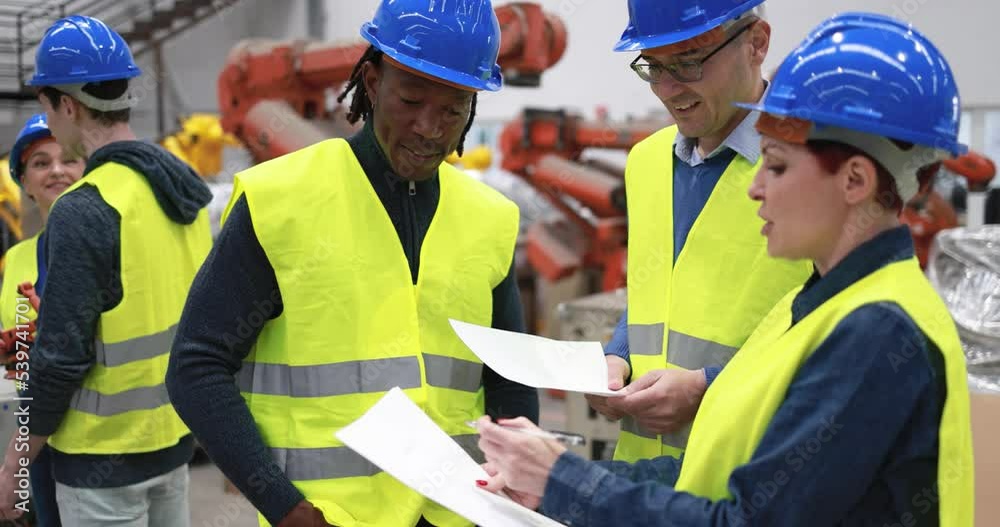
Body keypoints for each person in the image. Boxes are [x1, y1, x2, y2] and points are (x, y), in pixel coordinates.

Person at [476, 12, 975, 526]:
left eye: (776, 166)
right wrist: (556, 480)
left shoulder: (874, 331)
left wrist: (563, 482)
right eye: (654, 66)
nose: (755, 186)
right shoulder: (809, 308)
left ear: (854, 181)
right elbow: (715, 477)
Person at [167, 1, 538, 526]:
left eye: (453, 109)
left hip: (458, 515)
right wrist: (284, 507)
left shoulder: (489, 218)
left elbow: (509, 379)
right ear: (372, 81)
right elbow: (196, 367)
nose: (429, 128)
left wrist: (515, 480)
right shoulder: (283, 201)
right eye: (411, 100)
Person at [0, 15, 212, 526]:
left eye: (47, 109)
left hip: (101, 462)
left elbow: (60, 361)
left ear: (68, 106)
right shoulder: (181, 191)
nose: (49, 125)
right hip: (173, 442)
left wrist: (14, 467)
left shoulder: (86, 207)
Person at [586, 0, 812, 462]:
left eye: (688, 61)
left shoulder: (811, 167)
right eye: (653, 66)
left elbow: (835, 338)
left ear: (756, 43)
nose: (668, 89)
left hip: (751, 471)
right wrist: (619, 356)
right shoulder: (646, 162)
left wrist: (709, 385)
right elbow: (654, 292)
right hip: (642, 474)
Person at [0, 113, 84, 527]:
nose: (56, 170)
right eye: (40, 163)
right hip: (36, 430)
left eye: (68, 159)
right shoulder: (17, 257)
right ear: (25, 183)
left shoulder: (102, 244)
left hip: (91, 431)